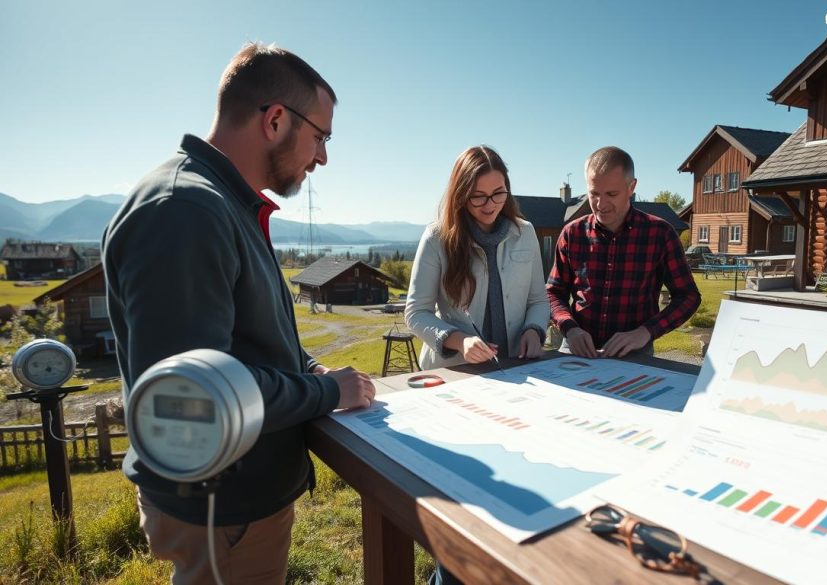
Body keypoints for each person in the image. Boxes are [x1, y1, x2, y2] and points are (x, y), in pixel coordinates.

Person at [102, 42, 375, 584]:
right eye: (321, 136)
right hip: (220, 506)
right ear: (275, 120)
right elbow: (196, 395)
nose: (322, 157)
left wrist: (311, 368)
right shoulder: (184, 210)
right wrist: (328, 392)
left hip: (234, 499)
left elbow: (251, 334)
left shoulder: (224, 203)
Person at [547, 146, 701, 358]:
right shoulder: (572, 233)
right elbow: (554, 292)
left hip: (635, 352)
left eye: (611, 194)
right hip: (576, 349)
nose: (601, 204)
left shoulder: (660, 234)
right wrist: (569, 328)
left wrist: (646, 332)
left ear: (631, 187)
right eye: (593, 194)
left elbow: (688, 297)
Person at [405, 145, 549, 369]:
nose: (490, 204)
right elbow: (416, 313)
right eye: (478, 196)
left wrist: (534, 329)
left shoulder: (525, 232)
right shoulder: (437, 237)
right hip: (455, 371)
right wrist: (460, 341)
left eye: (498, 193)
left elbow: (538, 300)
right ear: (461, 194)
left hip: (516, 366)